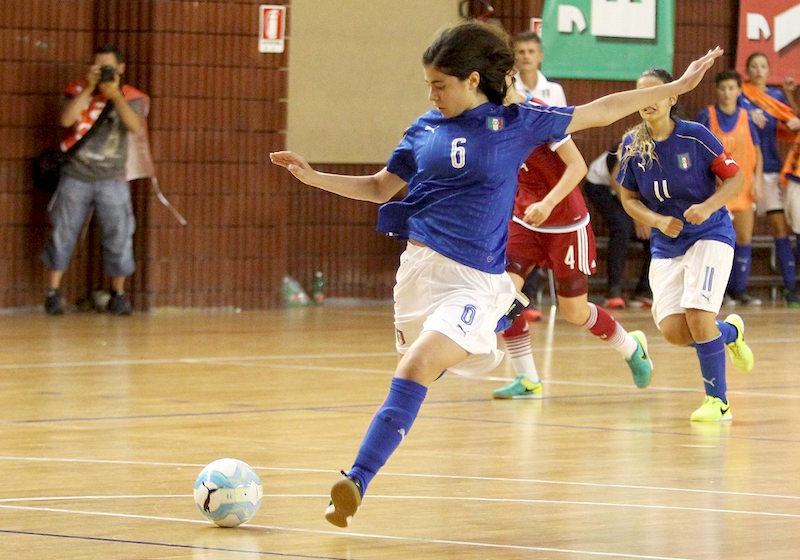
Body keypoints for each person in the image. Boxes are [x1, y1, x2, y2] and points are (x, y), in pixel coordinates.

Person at [270, 21, 723, 526]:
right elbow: (380, 187)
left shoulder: (517, 122)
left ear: (471, 80)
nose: (432, 95)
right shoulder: (423, 129)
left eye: (440, 85)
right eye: (428, 85)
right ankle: (493, 325)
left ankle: (356, 480)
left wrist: (677, 86)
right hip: (417, 274)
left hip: (473, 281)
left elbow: (600, 110)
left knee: (416, 365)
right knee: (421, 365)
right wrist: (313, 177)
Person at [617, 68, 754, 423]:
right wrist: (656, 220)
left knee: (699, 315)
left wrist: (708, 206)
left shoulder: (695, 135)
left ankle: (718, 402)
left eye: (655, 93)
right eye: (641, 94)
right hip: (667, 243)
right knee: (675, 332)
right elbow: (628, 197)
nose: (647, 100)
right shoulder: (632, 144)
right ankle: (731, 332)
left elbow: (735, 177)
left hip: (710, 234)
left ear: (672, 97)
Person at [492, 125, 652, 399]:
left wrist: (547, 203)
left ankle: (631, 347)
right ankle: (528, 378)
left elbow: (578, 167)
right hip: (524, 219)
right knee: (502, 294)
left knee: (574, 312)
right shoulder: (486, 118)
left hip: (565, 223)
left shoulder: (540, 117)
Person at [41, 45, 146, 315]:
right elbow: (66, 119)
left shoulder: (132, 96)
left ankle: (118, 294)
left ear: (121, 68)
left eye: (108, 67)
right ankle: (53, 293)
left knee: (119, 234)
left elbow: (135, 126)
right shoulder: (77, 89)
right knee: (63, 231)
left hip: (113, 177)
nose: (103, 72)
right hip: (76, 174)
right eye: (98, 67)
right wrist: (89, 88)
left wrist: (115, 96)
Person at [511, 30, 567, 321]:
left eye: (531, 51)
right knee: (522, 231)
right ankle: (523, 300)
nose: (526, 57)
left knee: (541, 229)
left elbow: (564, 129)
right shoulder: (509, 88)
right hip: (520, 169)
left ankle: (535, 298)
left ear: (540, 56)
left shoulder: (553, 91)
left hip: (549, 171)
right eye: (521, 52)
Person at [697, 70, 763, 306]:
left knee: (744, 238)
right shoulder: (706, 116)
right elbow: (697, 151)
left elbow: (758, 152)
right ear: (716, 90)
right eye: (723, 88)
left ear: (739, 91)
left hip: (742, 188)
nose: (727, 93)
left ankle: (740, 290)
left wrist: (758, 180)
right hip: (717, 192)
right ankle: (718, 292)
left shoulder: (748, 118)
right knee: (716, 242)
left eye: (731, 88)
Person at [740, 52, 800, 307]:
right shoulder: (741, 95)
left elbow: (794, 122)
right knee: (743, 232)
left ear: (768, 70)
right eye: (753, 66)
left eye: (763, 66)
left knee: (780, 228)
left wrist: (789, 96)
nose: (758, 70)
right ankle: (736, 289)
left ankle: (791, 288)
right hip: (745, 169)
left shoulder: (775, 97)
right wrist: (748, 115)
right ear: (747, 70)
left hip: (772, 167)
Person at [582, 142, 652, 309]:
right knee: (622, 228)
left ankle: (644, 290)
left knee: (655, 232)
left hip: (632, 192)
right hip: (602, 185)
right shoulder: (635, 141)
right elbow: (616, 180)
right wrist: (637, 217)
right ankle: (613, 291)